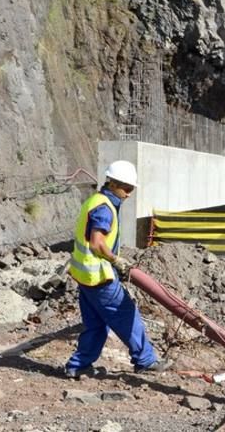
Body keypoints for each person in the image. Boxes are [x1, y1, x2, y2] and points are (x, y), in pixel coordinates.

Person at [64, 160, 168, 378]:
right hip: (99, 277)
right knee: (127, 316)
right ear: (112, 183)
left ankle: (78, 365)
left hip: (85, 277)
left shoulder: (96, 200)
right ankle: (146, 361)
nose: (129, 194)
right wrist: (117, 260)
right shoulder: (104, 208)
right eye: (127, 188)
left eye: (131, 189)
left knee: (96, 325)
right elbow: (97, 243)